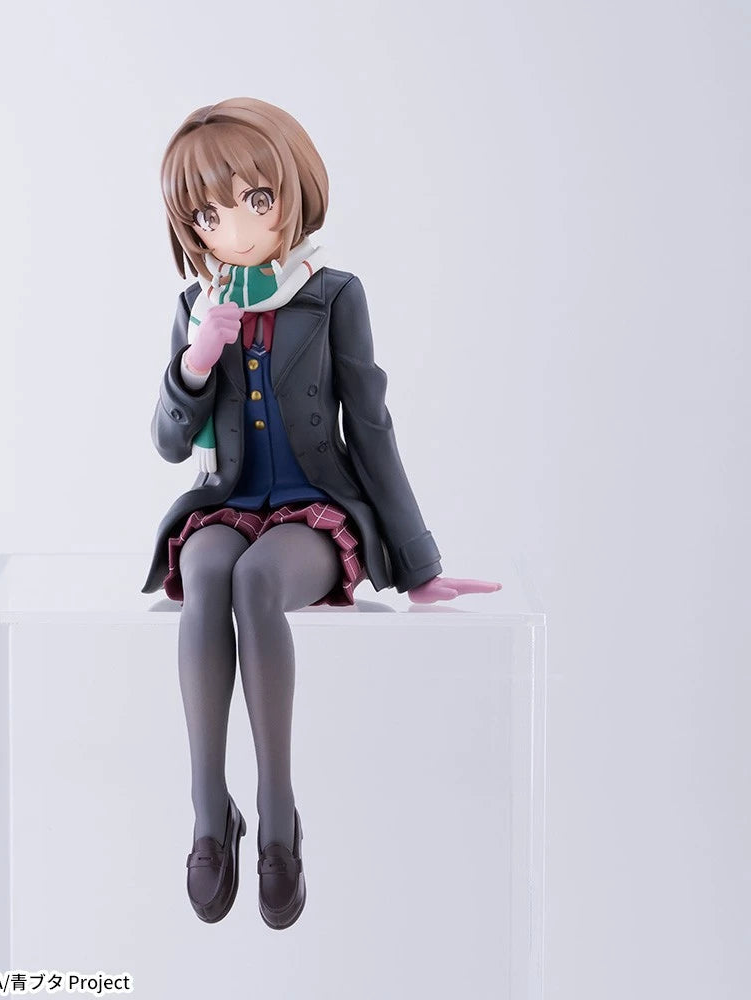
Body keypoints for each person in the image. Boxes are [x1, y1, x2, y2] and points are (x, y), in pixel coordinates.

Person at [141, 97, 500, 929]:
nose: (234, 227)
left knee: (259, 583)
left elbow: (369, 427)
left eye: (254, 199)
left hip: (312, 508)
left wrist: (417, 563)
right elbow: (168, 443)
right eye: (209, 215)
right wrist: (195, 363)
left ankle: (277, 816)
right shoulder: (197, 305)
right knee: (206, 571)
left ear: (290, 191)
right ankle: (208, 813)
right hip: (226, 502)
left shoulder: (333, 295)